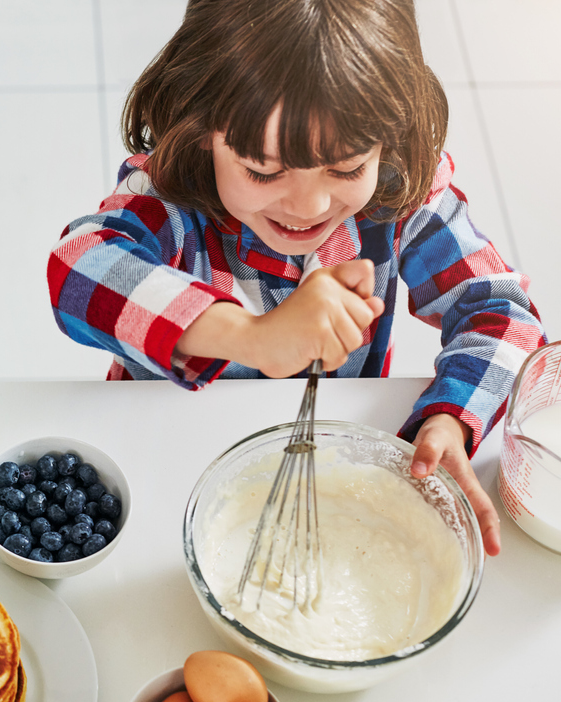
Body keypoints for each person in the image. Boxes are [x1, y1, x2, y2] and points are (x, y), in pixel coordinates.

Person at [47, 0, 545, 557]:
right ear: (201, 127)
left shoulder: (403, 194)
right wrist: (248, 336)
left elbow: (504, 314)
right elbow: (77, 270)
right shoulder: (171, 196)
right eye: (264, 170)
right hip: (161, 459)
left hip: (326, 477)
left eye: (347, 167)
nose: (309, 205)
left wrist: (451, 418)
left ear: (392, 136)